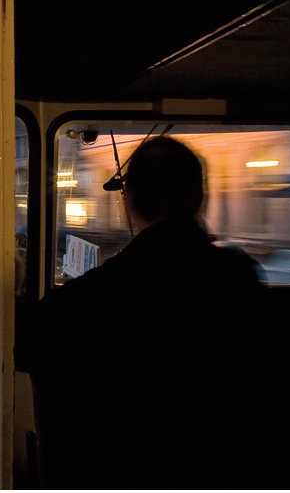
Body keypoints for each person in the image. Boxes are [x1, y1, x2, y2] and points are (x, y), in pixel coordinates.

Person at [18, 136, 267, 489]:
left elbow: (24, 344)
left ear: (129, 200)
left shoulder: (100, 290)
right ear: (200, 198)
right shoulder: (241, 276)